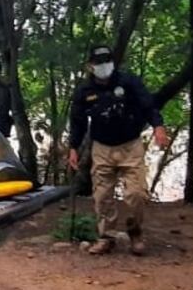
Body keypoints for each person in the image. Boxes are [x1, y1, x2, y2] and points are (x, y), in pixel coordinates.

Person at [68, 45, 169, 256]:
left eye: (107, 61)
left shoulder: (128, 82)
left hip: (130, 146)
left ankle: (135, 231)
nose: (103, 66)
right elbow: (77, 121)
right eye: (98, 62)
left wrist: (158, 126)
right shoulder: (85, 91)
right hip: (102, 148)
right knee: (102, 196)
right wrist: (73, 148)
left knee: (137, 193)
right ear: (90, 66)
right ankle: (107, 237)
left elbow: (148, 105)